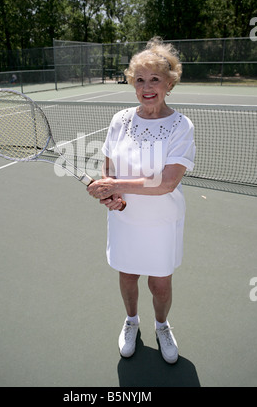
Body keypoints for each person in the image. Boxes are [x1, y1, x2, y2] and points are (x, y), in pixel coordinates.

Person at [87, 37, 196, 364]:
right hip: (125, 219)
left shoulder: (181, 126)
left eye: (155, 80)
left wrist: (113, 184)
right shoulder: (120, 120)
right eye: (139, 80)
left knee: (160, 284)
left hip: (162, 221)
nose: (147, 87)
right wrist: (110, 194)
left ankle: (162, 326)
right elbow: (109, 165)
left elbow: (166, 182)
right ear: (132, 83)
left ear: (169, 82)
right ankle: (131, 321)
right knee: (128, 275)